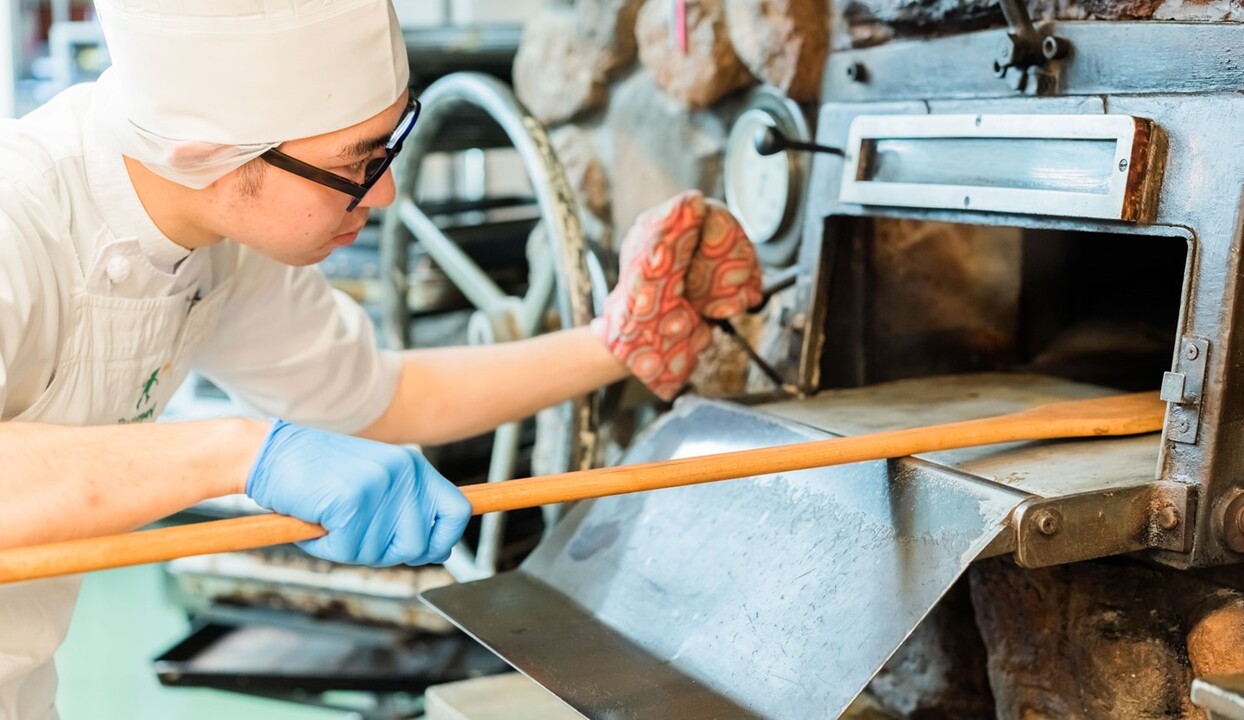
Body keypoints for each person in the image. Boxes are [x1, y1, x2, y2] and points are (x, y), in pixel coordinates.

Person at [0, 0, 762, 716]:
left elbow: (376, 398)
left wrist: (620, 341)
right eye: (359, 161)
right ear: (212, 156)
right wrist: (242, 452)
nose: (388, 191)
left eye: (391, 142)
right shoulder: (18, 217)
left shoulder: (230, 237)